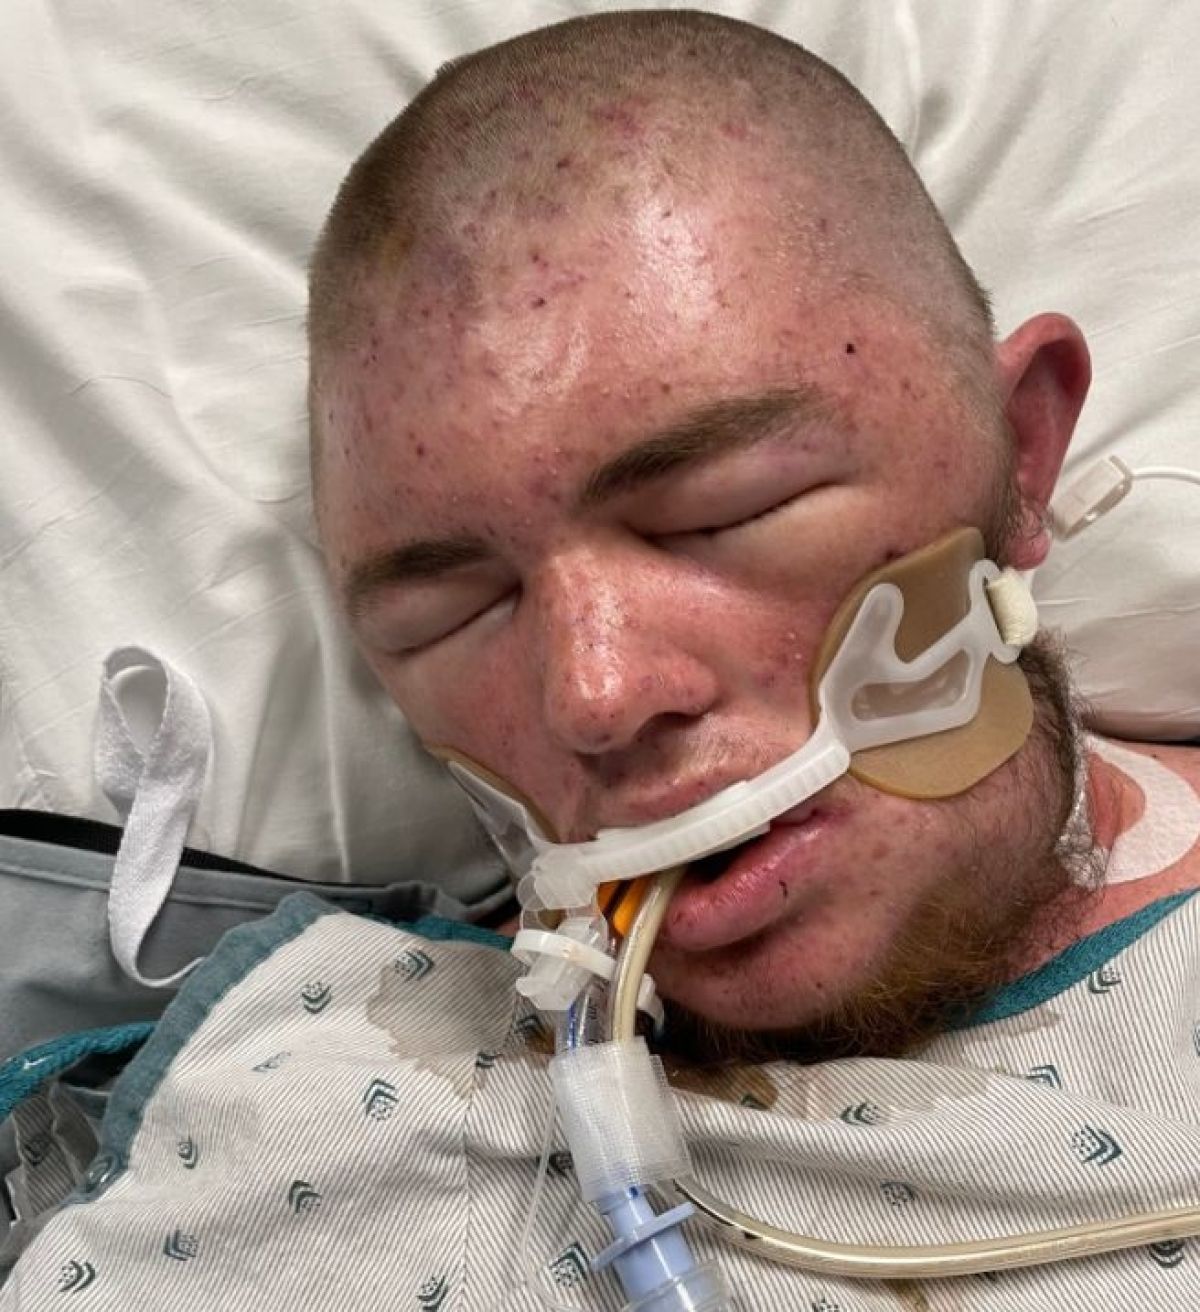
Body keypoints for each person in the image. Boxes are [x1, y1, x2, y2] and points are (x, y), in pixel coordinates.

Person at [306, 9, 1200, 1063]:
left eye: (722, 512)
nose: (595, 696)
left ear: (1022, 452)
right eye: (448, 615)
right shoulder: (300, 1079)